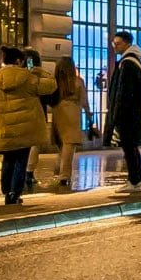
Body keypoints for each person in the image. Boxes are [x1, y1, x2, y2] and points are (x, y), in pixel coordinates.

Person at [0, 46, 55, 206]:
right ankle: (15, 192)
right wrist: (38, 70)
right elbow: (51, 85)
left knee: (8, 159)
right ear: (19, 61)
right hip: (25, 128)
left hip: (5, 128)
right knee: (20, 160)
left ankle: (6, 190)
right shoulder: (28, 78)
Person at [103, 32, 141, 192]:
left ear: (126, 44)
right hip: (133, 113)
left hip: (128, 114)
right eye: (113, 44)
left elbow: (124, 91)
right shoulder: (134, 61)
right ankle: (136, 180)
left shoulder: (128, 63)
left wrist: (117, 114)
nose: (114, 47)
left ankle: (135, 181)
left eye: (117, 44)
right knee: (130, 147)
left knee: (129, 147)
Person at [46, 50, 86, 192]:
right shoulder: (78, 82)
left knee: (61, 142)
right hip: (73, 112)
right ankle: (64, 174)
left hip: (58, 111)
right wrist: (89, 116)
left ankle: (60, 167)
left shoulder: (55, 82)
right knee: (70, 144)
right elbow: (84, 101)